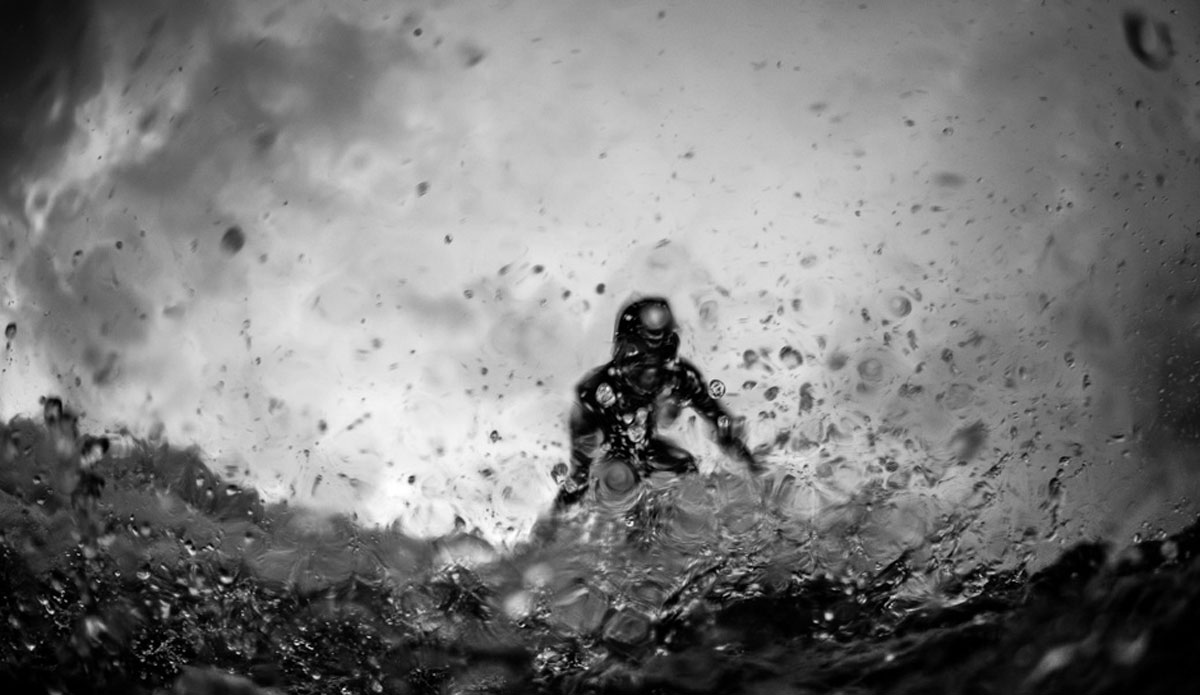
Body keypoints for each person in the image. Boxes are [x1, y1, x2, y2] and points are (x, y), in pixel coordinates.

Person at [554, 296, 762, 510]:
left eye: (660, 357)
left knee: (684, 468)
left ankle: (671, 527)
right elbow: (580, 475)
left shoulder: (679, 377)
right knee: (616, 479)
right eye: (640, 358)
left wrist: (754, 474)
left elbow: (719, 422)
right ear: (620, 351)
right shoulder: (595, 393)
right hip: (609, 465)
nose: (650, 373)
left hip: (643, 454)